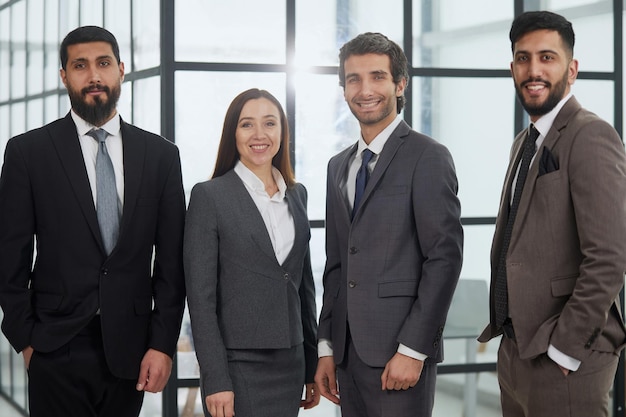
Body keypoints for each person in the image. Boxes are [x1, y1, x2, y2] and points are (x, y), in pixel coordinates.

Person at [0, 26, 186, 417]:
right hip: (54, 347)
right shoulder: (27, 153)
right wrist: (27, 341)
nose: (94, 75)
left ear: (122, 70)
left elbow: (171, 263)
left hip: (132, 349)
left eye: (103, 64)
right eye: (80, 66)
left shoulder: (161, 156)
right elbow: (9, 258)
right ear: (64, 76)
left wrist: (162, 344)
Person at [478, 11, 626, 417]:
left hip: (564, 359)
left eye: (547, 57)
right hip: (517, 352)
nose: (533, 70)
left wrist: (564, 350)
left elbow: (609, 258)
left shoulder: (591, 135)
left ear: (572, 69)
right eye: (523, 59)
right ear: (512, 69)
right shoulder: (523, 144)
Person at [314, 32, 463, 417]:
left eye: (377, 77)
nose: (365, 90)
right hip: (347, 355)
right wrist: (327, 346)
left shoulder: (428, 157)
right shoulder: (338, 167)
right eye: (353, 79)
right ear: (343, 88)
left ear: (400, 84)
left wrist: (414, 349)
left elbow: (443, 259)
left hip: (400, 353)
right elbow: (336, 265)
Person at [184, 88, 319, 417]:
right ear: (233, 133)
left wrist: (311, 365)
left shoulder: (297, 195)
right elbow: (201, 301)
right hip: (237, 364)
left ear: (282, 132)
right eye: (247, 124)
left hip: (291, 362)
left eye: (269, 123)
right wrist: (215, 378)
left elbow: (304, 289)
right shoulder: (209, 196)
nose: (260, 134)